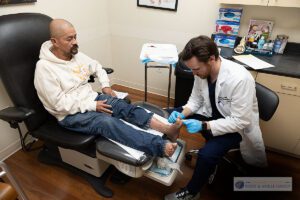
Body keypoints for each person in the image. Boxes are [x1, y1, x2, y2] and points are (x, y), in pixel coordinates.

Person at [34, 19, 182, 158]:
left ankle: (168, 129)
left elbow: (97, 67)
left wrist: (105, 85)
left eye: (75, 37)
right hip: (70, 115)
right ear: (55, 42)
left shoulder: (74, 55)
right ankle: (159, 146)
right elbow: (58, 105)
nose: (75, 42)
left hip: (91, 99)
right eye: (69, 39)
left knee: (123, 106)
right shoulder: (44, 68)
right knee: (107, 122)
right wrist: (92, 106)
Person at [164, 36, 267, 200]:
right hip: (210, 114)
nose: (193, 73)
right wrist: (182, 113)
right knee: (167, 113)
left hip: (234, 128)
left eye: (196, 69)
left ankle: (191, 192)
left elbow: (240, 121)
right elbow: (196, 100)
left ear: (211, 59)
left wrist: (204, 126)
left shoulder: (239, 78)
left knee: (206, 155)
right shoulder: (202, 73)